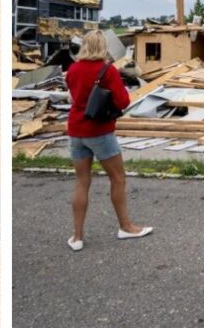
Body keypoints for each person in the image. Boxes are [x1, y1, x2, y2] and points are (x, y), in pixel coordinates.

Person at [65, 30, 152, 251]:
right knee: (118, 178)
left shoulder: (72, 70)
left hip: (76, 131)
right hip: (100, 131)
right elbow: (123, 101)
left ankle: (77, 237)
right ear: (104, 47)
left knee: (82, 181)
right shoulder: (108, 71)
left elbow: (74, 97)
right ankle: (125, 227)